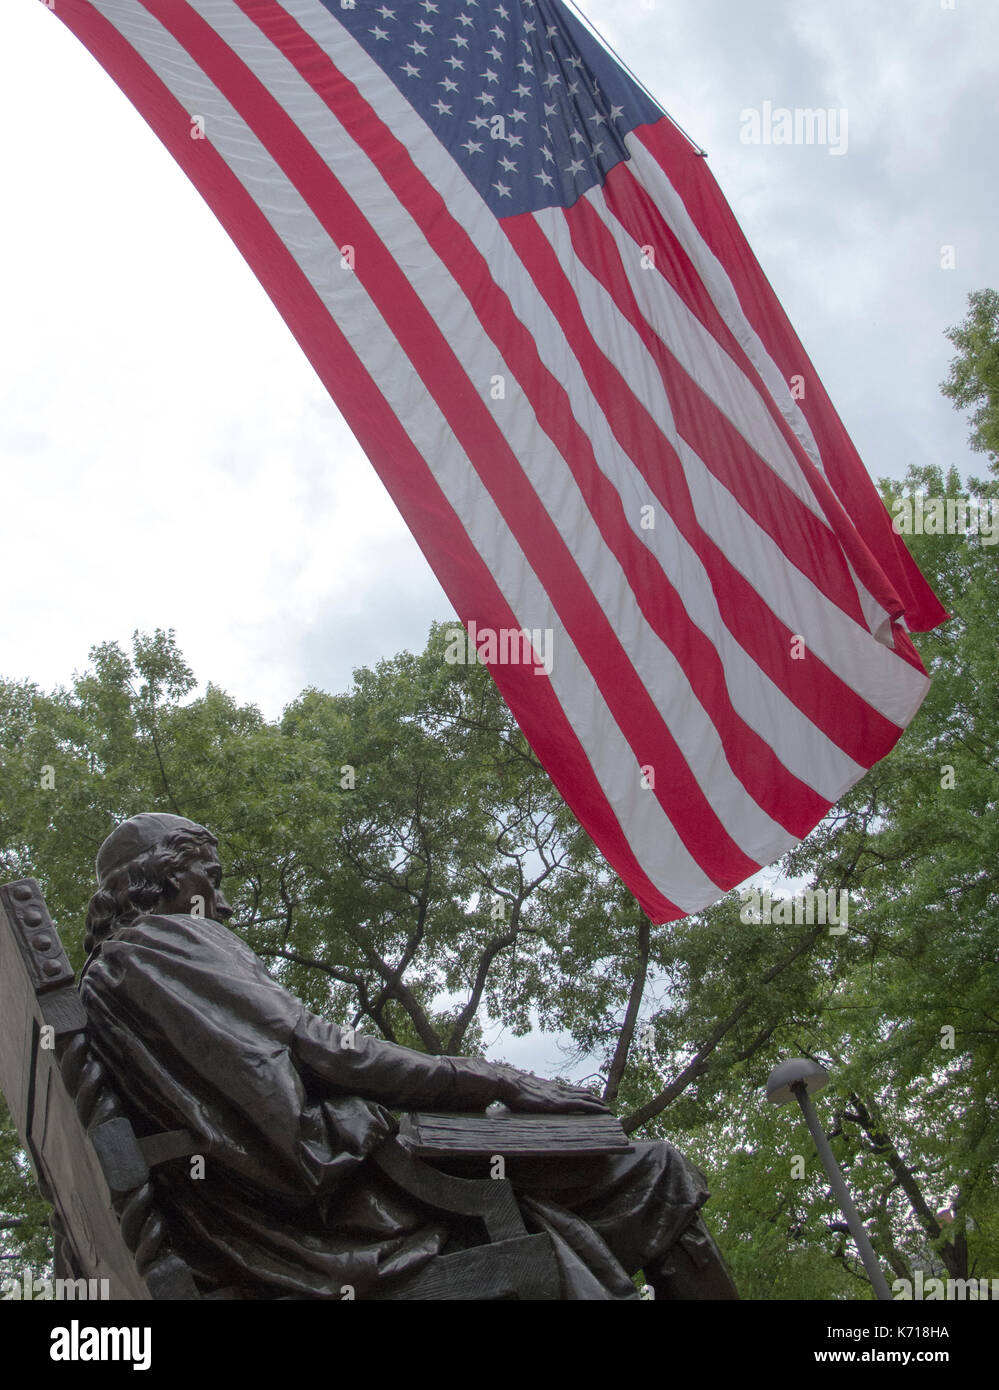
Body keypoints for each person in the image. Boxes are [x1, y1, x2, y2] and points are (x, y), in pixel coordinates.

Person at [79, 812, 738, 1300]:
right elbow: (326, 1050)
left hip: (258, 1220)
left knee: (594, 1193)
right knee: (653, 1173)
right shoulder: (167, 941)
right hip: (348, 1209)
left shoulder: (112, 979)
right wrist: (493, 1080)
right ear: (160, 874)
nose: (221, 901)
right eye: (209, 877)